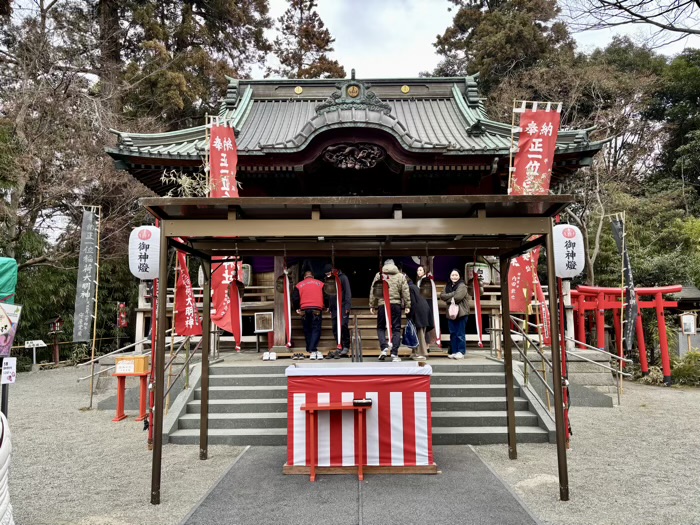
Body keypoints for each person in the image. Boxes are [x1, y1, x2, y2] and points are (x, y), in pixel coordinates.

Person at [369, 259, 410, 362]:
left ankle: (384, 348)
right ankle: (394, 353)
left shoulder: (379, 275)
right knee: (396, 328)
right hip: (396, 304)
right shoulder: (400, 276)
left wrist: (372, 305)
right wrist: (407, 305)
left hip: (382, 304)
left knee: (381, 327)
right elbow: (405, 291)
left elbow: (373, 290)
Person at [292, 270, 328, 360]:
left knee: (307, 329)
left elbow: (295, 298)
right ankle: (312, 349)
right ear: (313, 276)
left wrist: (297, 308)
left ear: (304, 277)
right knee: (316, 329)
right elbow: (326, 296)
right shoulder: (320, 284)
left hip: (304, 309)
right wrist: (326, 306)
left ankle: (309, 348)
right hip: (317, 309)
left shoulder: (299, 285)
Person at [440, 268, 470, 359]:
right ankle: (454, 351)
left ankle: (461, 351)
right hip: (451, 312)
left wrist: (450, 297)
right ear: (450, 276)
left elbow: (457, 297)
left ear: (459, 276)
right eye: (452, 275)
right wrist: (453, 294)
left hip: (461, 312)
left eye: (456, 275)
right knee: (453, 333)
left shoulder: (462, 286)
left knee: (460, 333)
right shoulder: (447, 285)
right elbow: (442, 296)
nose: (454, 277)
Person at [324, 263, 352, 359]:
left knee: (343, 325)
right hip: (334, 307)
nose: (327, 275)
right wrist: (329, 307)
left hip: (343, 305)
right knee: (335, 327)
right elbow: (329, 294)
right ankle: (339, 345)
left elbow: (347, 292)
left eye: (328, 273)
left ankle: (346, 346)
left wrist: (348, 306)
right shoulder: (329, 280)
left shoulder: (343, 278)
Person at [406, 275, 433, 360]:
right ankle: (415, 352)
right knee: (418, 332)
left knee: (419, 333)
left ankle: (422, 353)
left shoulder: (409, 288)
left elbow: (412, 302)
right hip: (424, 311)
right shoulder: (414, 287)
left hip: (418, 312)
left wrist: (410, 315)